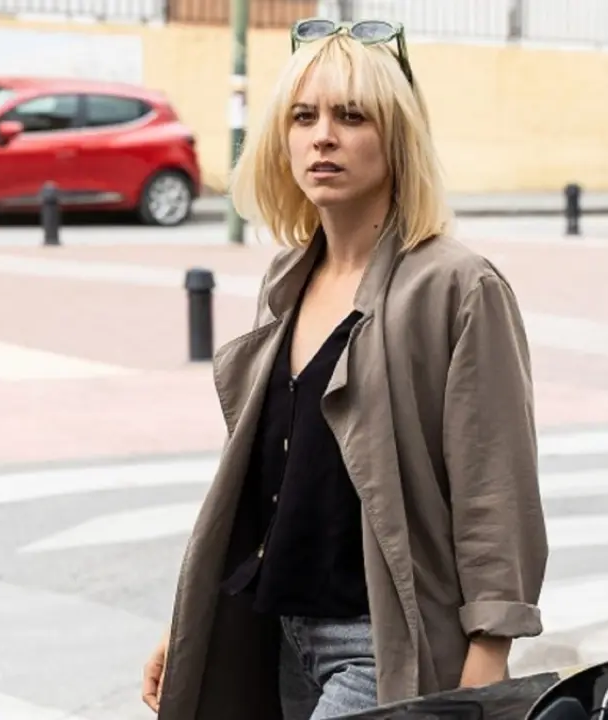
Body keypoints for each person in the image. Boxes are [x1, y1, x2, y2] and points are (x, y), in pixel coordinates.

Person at [142, 17, 548, 720]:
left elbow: (494, 485)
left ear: (397, 137)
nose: (322, 136)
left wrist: (487, 657)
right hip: (280, 634)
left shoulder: (455, 286)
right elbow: (270, 484)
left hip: (381, 645)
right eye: (304, 117)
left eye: (351, 116)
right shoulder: (289, 280)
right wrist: (190, 627)